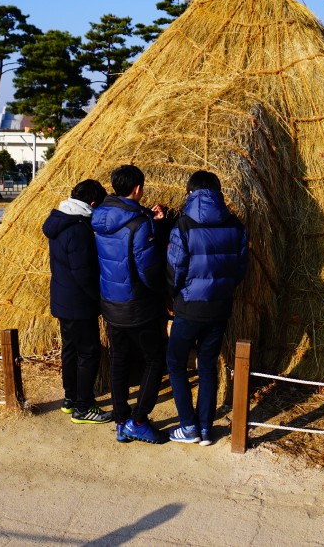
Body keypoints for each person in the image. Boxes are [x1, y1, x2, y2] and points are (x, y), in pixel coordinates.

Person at [166, 170, 248, 446]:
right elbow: (240, 269)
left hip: (189, 307)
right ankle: (205, 430)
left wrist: (173, 296)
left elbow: (175, 269)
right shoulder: (235, 225)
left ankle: (188, 426)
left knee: (176, 364)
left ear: (190, 193)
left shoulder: (184, 225)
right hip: (219, 308)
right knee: (208, 366)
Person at [92, 164, 170, 444]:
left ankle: (122, 419)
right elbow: (148, 269)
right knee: (155, 358)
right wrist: (162, 292)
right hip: (137, 304)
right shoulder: (139, 223)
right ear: (137, 189)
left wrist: (153, 221)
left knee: (120, 359)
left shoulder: (100, 217)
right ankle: (138, 420)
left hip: (110, 301)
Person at [42, 179, 112, 424]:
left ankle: (70, 399)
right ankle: (84, 406)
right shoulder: (78, 229)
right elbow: (84, 273)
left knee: (71, 350)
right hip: (79, 302)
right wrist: (99, 299)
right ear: (92, 203)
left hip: (63, 298)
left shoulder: (61, 220)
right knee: (89, 353)